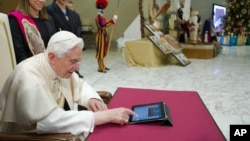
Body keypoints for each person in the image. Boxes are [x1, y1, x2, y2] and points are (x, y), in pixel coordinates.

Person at [0, 31, 135, 139]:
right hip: (27, 136)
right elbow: (46, 121)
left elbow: (80, 84)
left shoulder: (57, 65)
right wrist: (102, 116)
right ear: (52, 57)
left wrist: (91, 98)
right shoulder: (28, 75)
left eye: (78, 62)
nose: (76, 68)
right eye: (73, 62)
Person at [46, 0, 84, 78]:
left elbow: (78, 26)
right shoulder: (49, 10)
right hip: (60, 49)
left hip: (72, 46)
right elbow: (51, 29)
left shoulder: (72, 13)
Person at [95, 0, 118, 73]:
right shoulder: (98, 17)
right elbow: (102, 25)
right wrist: (112, 21)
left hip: (104, 36)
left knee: (103, 51)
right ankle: (100, 67)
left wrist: (112, 20)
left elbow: (105, 22)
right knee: (100, 53)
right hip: (100, 37)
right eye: (103, 9)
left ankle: (103, 65)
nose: (104, 10)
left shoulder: (101, 17)